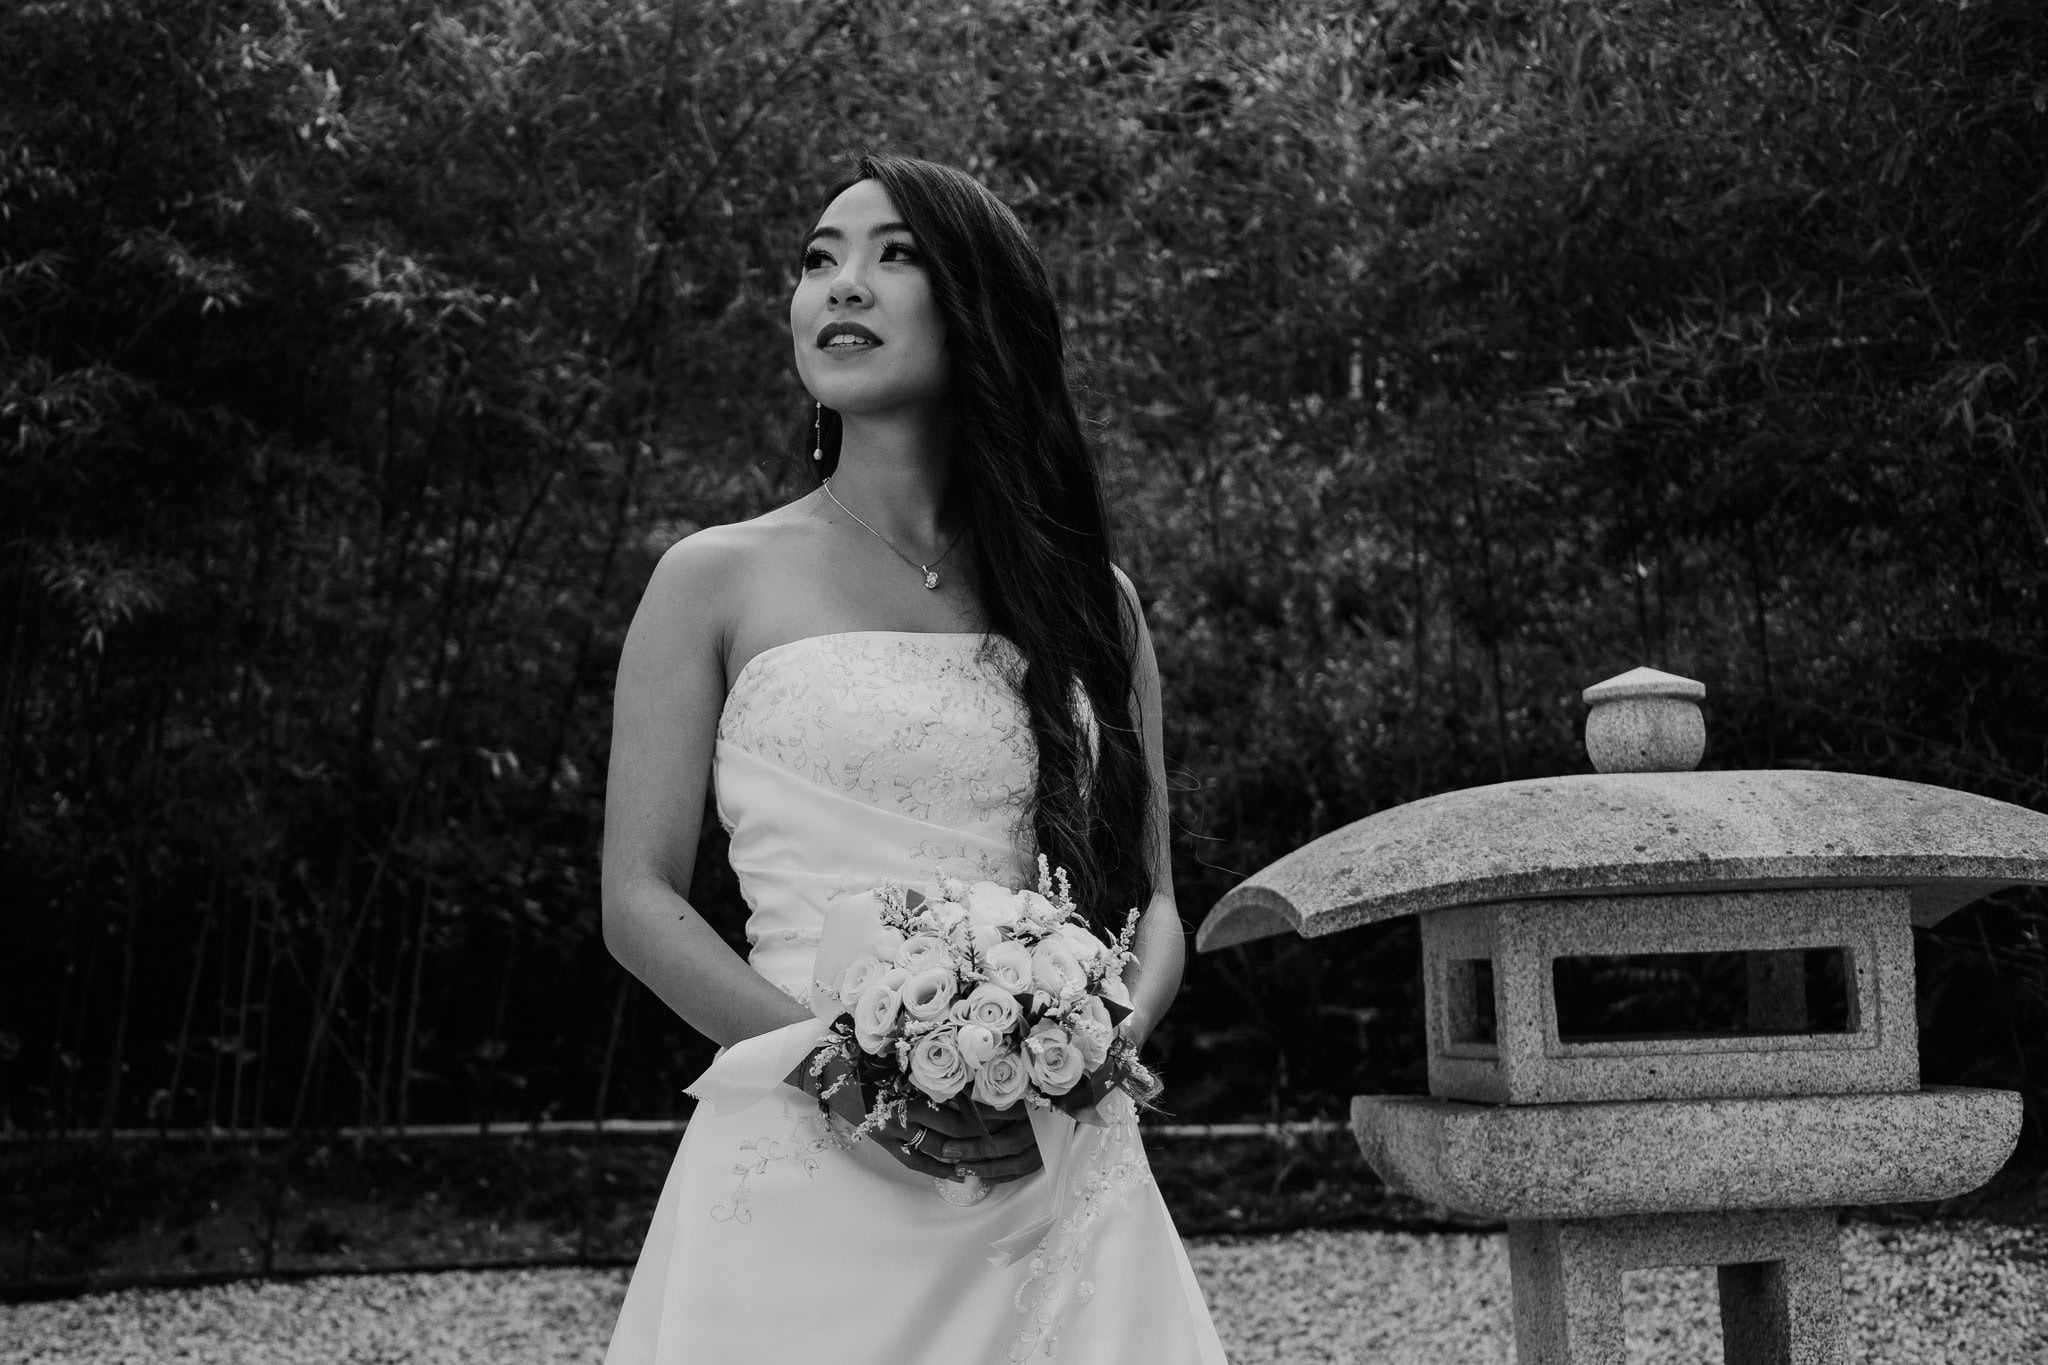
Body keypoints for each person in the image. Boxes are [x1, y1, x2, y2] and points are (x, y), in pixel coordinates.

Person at [600, 153, 1227, 1364]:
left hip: (1051, 1154)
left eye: (894, 256)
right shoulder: (711, 579)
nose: (842, 284)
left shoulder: (1089, 600)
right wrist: (843, 1075)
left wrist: (1091, 1061)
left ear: (979, 307)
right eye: (817, 260)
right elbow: (637, 899)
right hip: (801, 1148)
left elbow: (1151, 903)